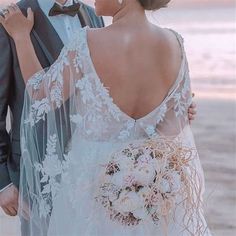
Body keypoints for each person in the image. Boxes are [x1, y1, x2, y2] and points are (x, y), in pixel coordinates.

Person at [0, 0, 206, 236]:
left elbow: (39, 94)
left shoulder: (87, 41)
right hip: (147, 189)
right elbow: (174, 124)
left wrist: (21, 37)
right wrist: (140, 172)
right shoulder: (174, 43)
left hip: (86, 188)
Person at [0, 0, 104, 219]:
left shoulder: (94, 15)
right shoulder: (8, 19)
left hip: (93, 167)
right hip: (37, 170)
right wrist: (2, 181)